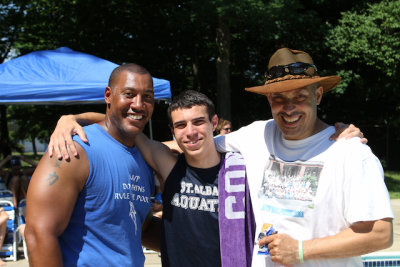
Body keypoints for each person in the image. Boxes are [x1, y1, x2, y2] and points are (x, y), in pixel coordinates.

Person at [48, 90, 364, 267]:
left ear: (214, 123)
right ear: (172, 132)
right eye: (181, 126)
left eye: (198, 122)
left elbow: (295, 141)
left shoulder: (246, 165)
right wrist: (71, 118)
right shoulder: (168, 163)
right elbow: (117, 124)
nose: (191, 132)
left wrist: (331, 134)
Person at [213, 48, 393, 266]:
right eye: (279, 98)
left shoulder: (350, 153)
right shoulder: (257, 135)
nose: (289, 108)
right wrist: (159, 149)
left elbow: (380, 233)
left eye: (300, 96)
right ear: (269, 99)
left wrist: (301, 250)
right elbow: (192, 145)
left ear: (317, 96)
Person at [24, 63, 156, 267]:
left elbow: (139, 228)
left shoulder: (145, 157)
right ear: (108, 95)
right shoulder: (72, 150)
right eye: (129, 94)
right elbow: (38, 233)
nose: (139, 104)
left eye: (147, 97)